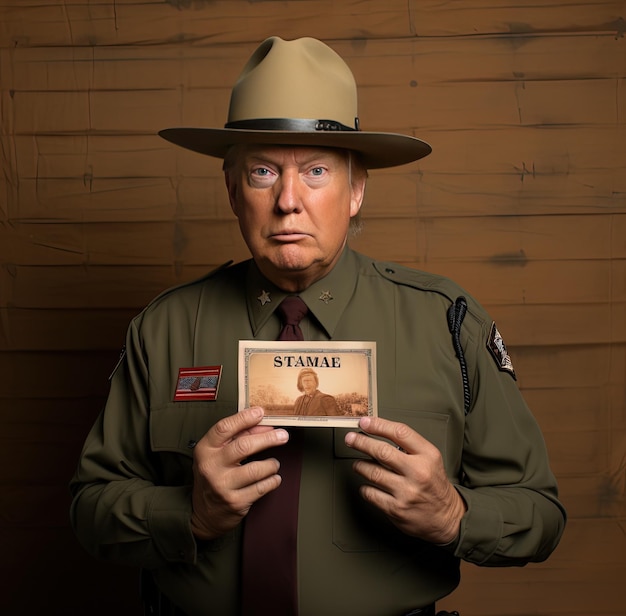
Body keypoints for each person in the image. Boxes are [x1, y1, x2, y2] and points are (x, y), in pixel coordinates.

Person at [69, 36, 566, 616]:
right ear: (232, 191)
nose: (287, 201)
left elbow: (541, 514)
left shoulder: (447, 323)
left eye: (316, 170)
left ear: (356, 191)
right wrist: (190, 514)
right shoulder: (165, 327)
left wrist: (455, 515)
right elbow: (90, 508)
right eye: (261, 171)